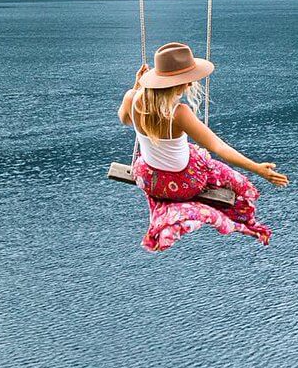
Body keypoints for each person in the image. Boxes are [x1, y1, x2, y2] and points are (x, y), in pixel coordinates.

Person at [117, 41, 288, 252]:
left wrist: (136, 89)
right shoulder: (179, 113)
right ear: (173, 83)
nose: (189, 85)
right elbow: (219, 147)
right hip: (181, 185)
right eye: (186, 80)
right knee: (215, 169)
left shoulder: (132, 98)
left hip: (148, 178)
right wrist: (257, 168)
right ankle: (246, 220)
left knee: (187, 153)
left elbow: (125, 119)